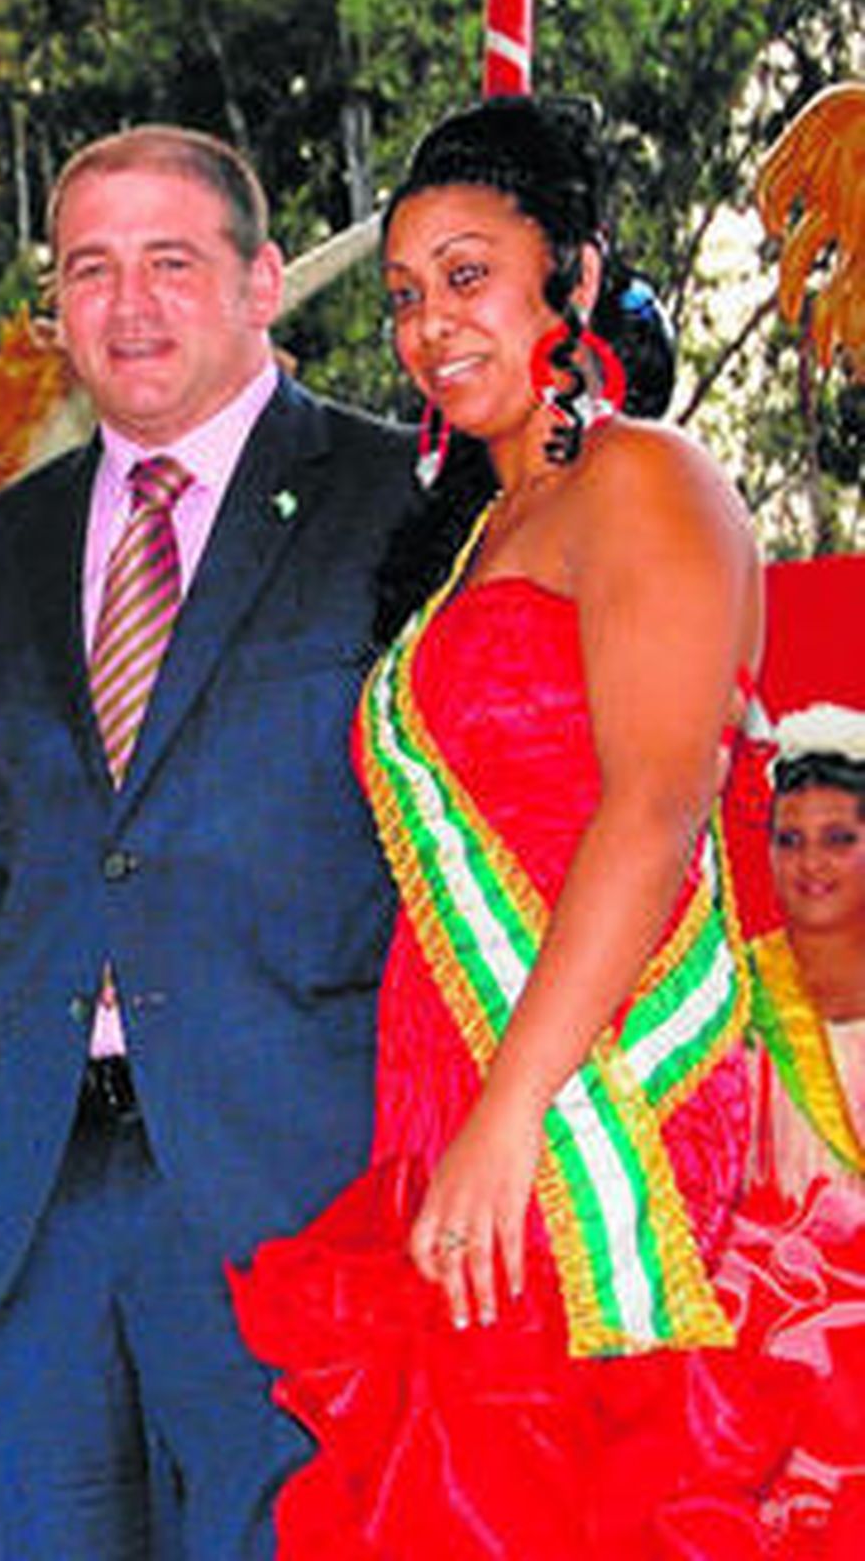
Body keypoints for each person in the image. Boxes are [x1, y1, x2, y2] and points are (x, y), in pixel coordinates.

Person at [229, 95, 824, 1557]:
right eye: (408, 293)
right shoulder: (470, 537)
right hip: (454, 1096)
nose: (432, 324)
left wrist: (509, 1117)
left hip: (584, 1094)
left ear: (573, 270)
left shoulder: (647, 479)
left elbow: (659, 806)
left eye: (471, 273)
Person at [0, 123, 420, 1558]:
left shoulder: (403, 502)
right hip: (33, 1204)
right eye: (91, 269)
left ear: (263, 281)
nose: (129, 306)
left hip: (301, 1186)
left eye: (172, 262)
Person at [747, 703, 865, 1204]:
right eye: (790, 841)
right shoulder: (734, 989)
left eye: (839, 840)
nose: (810, 863)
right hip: (765, 1271)